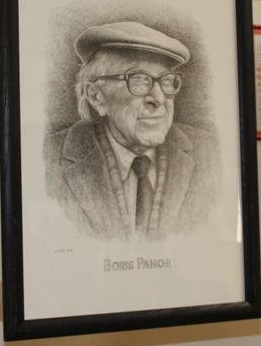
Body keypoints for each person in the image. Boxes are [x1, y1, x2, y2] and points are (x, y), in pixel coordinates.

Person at [44, 21, 219, 240]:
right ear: (96, 96)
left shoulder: (210, 151)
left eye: (166, 81)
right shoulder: (48, 158)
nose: (158, 98)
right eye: (139, 80)